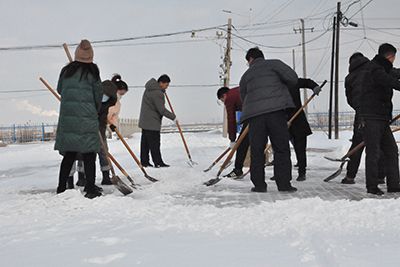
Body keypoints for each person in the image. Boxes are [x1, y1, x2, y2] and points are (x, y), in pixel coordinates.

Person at [239, 47, 298, 193]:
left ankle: (259, 185)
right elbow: (293, 78)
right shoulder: (275, 64)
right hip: (276, 112)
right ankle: (284, 184)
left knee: (257, 150)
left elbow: (243, 96)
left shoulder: (246, 75)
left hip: (255, 117)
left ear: (250, 59)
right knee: (281, 148)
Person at [54, 39, 103, 199]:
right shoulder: (93, 72)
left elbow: (60, 89)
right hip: (87, 117)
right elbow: (98, 96)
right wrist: (95, 110)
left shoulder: (66, 71)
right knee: (89, 154)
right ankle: (90, 188)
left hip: (68, 118)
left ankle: (61, 188)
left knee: (69, 154)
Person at [359, 43, 400, 195]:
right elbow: (391, 81)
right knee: (374, 152)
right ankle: (372, 186)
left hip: (381, 117)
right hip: (371, 117)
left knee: (391, 150)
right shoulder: (375, 69)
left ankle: (394, 185)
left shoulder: (383, 67)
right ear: (391, 56)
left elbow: (395, 73)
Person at [286, 78, 321, 181]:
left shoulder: (292, 81)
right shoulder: (275, 84)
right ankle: (282, 172)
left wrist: (314, 86)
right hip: (282, 119)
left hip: (298, 119)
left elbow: (307, 82)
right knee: (281, 149)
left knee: (300, 148)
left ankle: (302, 172)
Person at [139, 74, 176, 168]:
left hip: (145, 121)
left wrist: (162, 91)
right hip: (152, 122)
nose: (167, 87)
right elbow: (161, 110)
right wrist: (173, 117)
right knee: (155, 143)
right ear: (161, 83)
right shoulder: (157, 93)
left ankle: (144, 162)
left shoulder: (149, 89)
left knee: (145, 144)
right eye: (166, 85)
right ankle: (158, 162)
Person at [97, 74, 128, 185]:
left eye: (123, 95)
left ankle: (106, 177)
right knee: (86, 152)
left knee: (104, 151)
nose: (121, 96)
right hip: (92, 125)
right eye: (120, 93)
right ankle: (83, 178)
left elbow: (113, 117)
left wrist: (112, 126)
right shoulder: (102, 96)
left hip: (101, 127)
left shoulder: (117, 104)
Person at [216, 86, 249, 178]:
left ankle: (238, 170)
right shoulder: (237, 91)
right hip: (264, 110)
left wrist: (233, 140)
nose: (224, 103)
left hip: (253, 113)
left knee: (242, 143)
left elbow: (231, 119)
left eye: (222, 101)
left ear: (224, 96)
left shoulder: (229, 98)